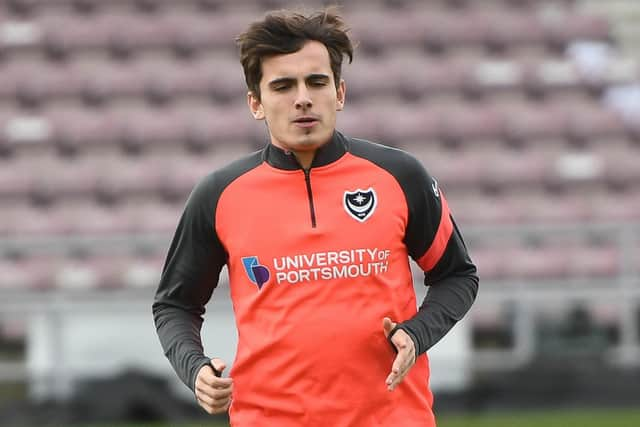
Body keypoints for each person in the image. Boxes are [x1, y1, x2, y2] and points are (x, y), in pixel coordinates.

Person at [152, 7, 478, 427]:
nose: (302, 97)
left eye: (317, 82)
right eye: (283, 86)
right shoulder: (218, 195)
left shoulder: (400, 176)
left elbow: (458, 276)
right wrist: (194, 369)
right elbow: (174, 304)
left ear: (339, 93)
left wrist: (417, 334)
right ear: (256, 103)